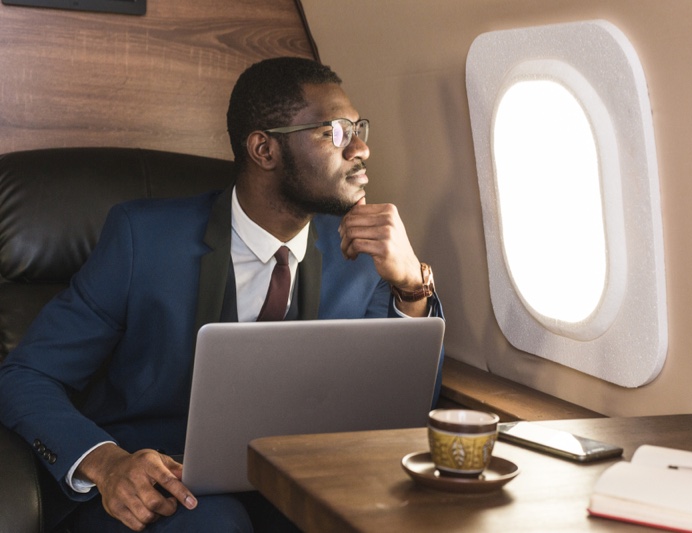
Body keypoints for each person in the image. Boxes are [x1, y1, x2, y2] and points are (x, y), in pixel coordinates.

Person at [0, 57, 443, 532]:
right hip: (155, 489)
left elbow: (399, 411)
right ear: (263, 149)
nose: (361, 148)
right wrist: (107, 465)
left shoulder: (359, 255)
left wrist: (410, 286)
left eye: (358, 128)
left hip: (298, 483)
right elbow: (25, 375)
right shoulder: (142, 239)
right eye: (333, 131)